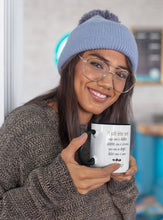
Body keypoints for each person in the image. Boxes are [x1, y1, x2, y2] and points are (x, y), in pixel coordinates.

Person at [0, 9, 139, 219]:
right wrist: (54, 183)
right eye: (97, 64)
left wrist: (123, 181)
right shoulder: (25, 125)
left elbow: (128, 215)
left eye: (120, 74)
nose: (107, 83)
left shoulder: (109, 131)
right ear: (70, 65)